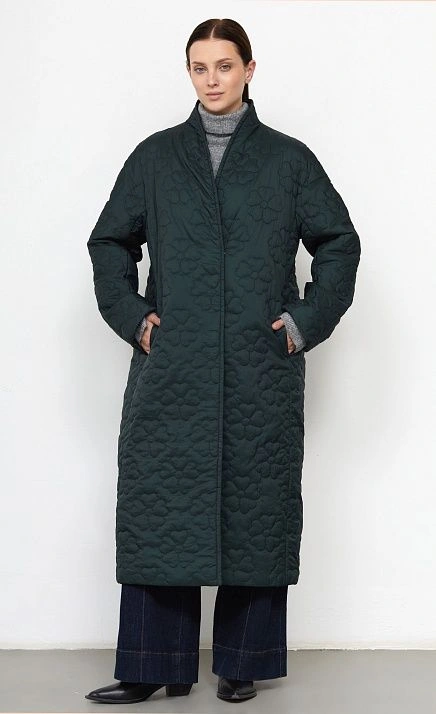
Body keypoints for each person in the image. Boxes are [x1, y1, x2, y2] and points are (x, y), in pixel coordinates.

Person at [85, 17, 361, 705]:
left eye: (225, 65)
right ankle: (151, 665)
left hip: (258, 367)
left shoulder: (288, 160)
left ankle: (244, 662)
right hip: (173, 368)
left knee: (257, 511)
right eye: (199, 67)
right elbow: (110, 242)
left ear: (249, 69)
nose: (212, 79)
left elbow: (338, 243)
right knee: (158, 509)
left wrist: (301, 324)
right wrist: (134, 318)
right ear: (189, 72)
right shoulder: (155, 157)